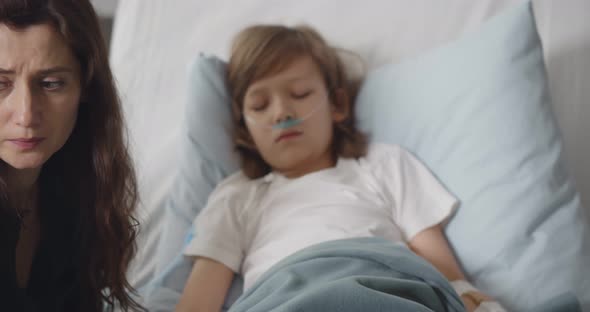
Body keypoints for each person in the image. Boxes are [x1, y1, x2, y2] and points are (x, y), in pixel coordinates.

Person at [176, 25, 496, 312]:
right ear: (245, 131)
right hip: (280, 297)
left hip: (383, 287)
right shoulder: (237, 196)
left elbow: (437, 260)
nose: (281, 112)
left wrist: (469, 297)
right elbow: (199, 301)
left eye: (300, 94)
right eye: (260, 105)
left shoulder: (382, 164)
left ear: (337, 105)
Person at [0, 0, 143, 311]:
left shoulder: (80, 196)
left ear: (86, 90)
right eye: (0, 84)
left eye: (51, 84)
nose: (26, 115)